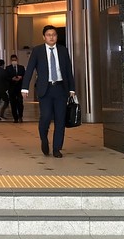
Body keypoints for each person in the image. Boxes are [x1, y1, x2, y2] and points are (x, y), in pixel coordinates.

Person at [21, 25, 76, 158]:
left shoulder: (63, 50)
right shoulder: (37, 51)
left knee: (60, 120)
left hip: (61, 89)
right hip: (45, 90)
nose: (51, 37)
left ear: (56, 36)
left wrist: (72, 88)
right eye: (49, 35)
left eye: (54, 35)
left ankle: (57, 148)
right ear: (44, 37)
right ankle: (44, 139)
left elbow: (69, 71)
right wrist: (25, 87)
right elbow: (29, 70)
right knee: (45, 117)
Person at [7, 54, 26, 123]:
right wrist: (12, 79)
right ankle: (15, 118)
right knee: (13, 103)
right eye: (12, 60)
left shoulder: (21, 67)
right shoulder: (8, 68)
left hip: (19, 88)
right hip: (11, 88)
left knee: (20, 103)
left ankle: (20, 116)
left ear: (17, 60)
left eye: (15, 60)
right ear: (10, 60)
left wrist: (21, 77)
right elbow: (6, 78)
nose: (14, 61)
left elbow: (25, 76)